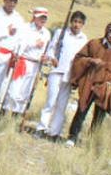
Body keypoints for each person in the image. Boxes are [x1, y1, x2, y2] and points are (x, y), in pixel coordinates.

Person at [66, 21, 111, 146]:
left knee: (99, 116)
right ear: (106, 31)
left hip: (106, 88)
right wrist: (90, 60)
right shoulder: (94, 44)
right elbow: (79, 58)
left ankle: (91, 142)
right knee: (82, 110)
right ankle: (72, 137)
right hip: (90, 83)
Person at [36, 10, 88, 139]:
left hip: (70, 75)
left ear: (83, 24)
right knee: (50, 101)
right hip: (56, 71)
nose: (76, 25)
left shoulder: (84, 39)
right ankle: (41, 128)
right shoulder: (61, 33)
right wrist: (52, 58)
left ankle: (54, 132)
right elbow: (51, 48)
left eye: (80, 22)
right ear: (71, 21)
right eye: (75, 21)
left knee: (61, 105)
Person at [5, 7, 52, 115]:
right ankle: (5, 110)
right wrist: (34, 44)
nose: (43, 20)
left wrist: (46, 57)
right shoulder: (25, 28)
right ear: (35, 17)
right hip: (23, 61)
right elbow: (19, 44)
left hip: (35, 64)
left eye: (44, 18)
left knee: (25, 91)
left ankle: (17, 113)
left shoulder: (46, 33)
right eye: (41, 17)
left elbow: (48, 50)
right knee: (14, 89)